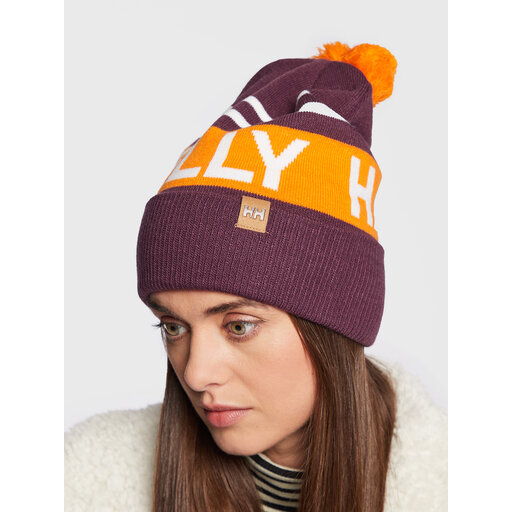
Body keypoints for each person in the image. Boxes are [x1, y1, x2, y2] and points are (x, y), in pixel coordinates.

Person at [65, 41, 447, 512]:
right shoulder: (79, 487)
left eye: (239, 325)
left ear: (335, 324)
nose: (196, 373)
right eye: (173, 327)